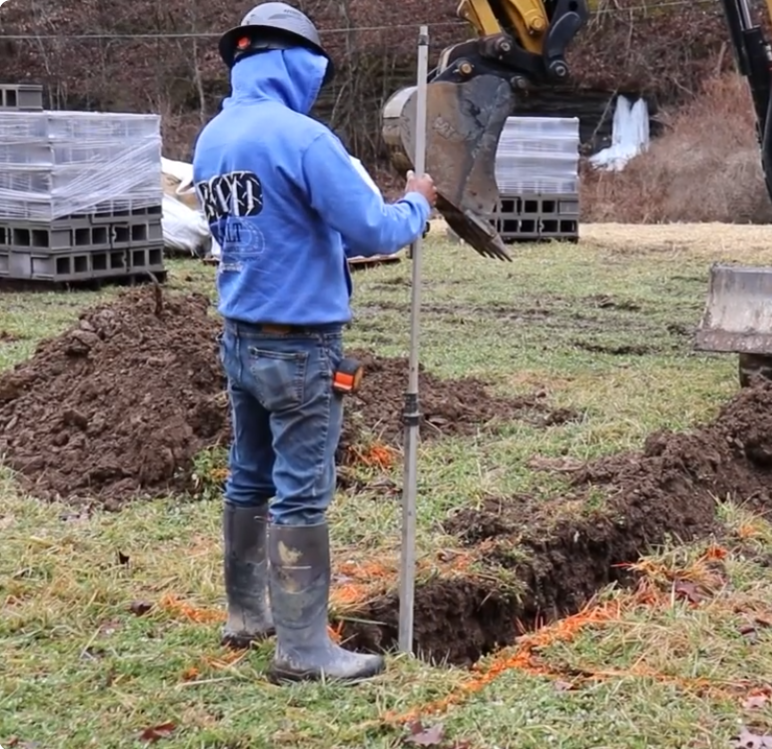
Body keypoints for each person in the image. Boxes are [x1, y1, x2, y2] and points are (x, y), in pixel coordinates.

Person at [192, 1, 436, 684]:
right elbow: (372, 231)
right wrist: (417, 201)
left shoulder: (213, 138)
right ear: (296, 65)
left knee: (249, 473)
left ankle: (248, 614)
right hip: (301, 349)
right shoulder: (302, 138)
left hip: (240, 337)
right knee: (301, 493)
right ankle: (302, 649)